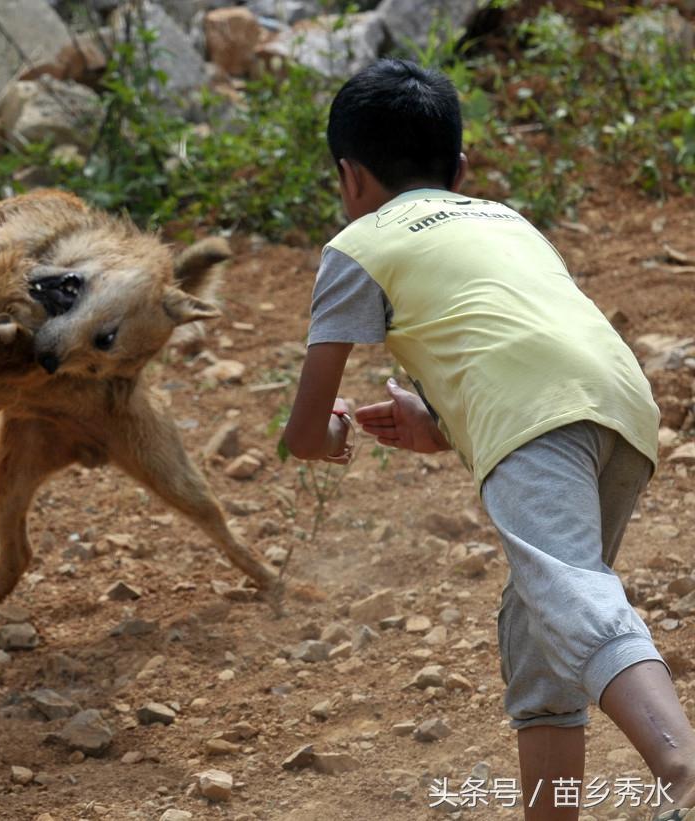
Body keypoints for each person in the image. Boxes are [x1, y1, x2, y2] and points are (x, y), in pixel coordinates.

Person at [281, 58, 693, 821]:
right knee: (538, 631)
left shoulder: (360, 242)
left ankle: (682, 765)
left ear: (349, 177)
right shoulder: (506, 218)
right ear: (461, 167)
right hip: (623, 407)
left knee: (569, 591)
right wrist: (435, 427)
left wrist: (333, 427)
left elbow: (305, 432)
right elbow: (518, 338)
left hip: (535, 418)